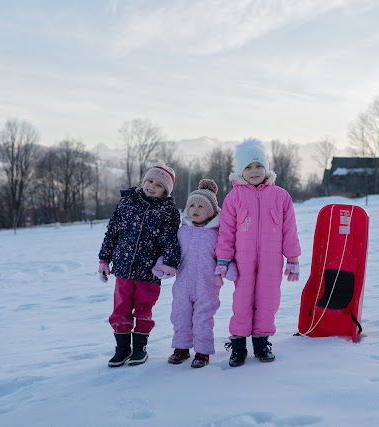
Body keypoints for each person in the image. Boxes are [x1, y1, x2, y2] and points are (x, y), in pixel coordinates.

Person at [215, 138, 302, 367]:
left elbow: (289, 229)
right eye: (248, 167)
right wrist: (223, 260)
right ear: (240, 171)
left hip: (272, 260)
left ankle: (262, 342)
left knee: (268, 299)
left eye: (258, 166)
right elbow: (226, 232)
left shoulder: (280, 195)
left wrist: (292, 258)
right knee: (242, 300)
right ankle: (238, 345)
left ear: (266, 168)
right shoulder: (234, 197)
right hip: (243, 260)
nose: (254, 171)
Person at [98, 162, 181, 367]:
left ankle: (139, 348)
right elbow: (112, 232)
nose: (151, 186)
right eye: (149, 181)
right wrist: (104, 259)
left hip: (149, 272)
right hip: (123, 268)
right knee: (121, 308)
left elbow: (170, 239)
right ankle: (122, 348)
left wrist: (170, 262)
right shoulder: (126, 203)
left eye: (158, 185)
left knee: (144, 308)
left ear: (165, 191)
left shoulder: (168, 211)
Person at [157, 179, 237, 368]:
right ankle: (181, 348)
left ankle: (202, 352)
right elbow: (171, 252)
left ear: (210, 212)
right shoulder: (182, 231)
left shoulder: (217, 234)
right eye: (192, 204)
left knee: (202, 319)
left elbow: (224, 255)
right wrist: (162, 264)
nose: (195, 209)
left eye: (201, 206)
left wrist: (230, 268)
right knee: (180, 315)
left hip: (207, 286)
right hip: (183, 284)